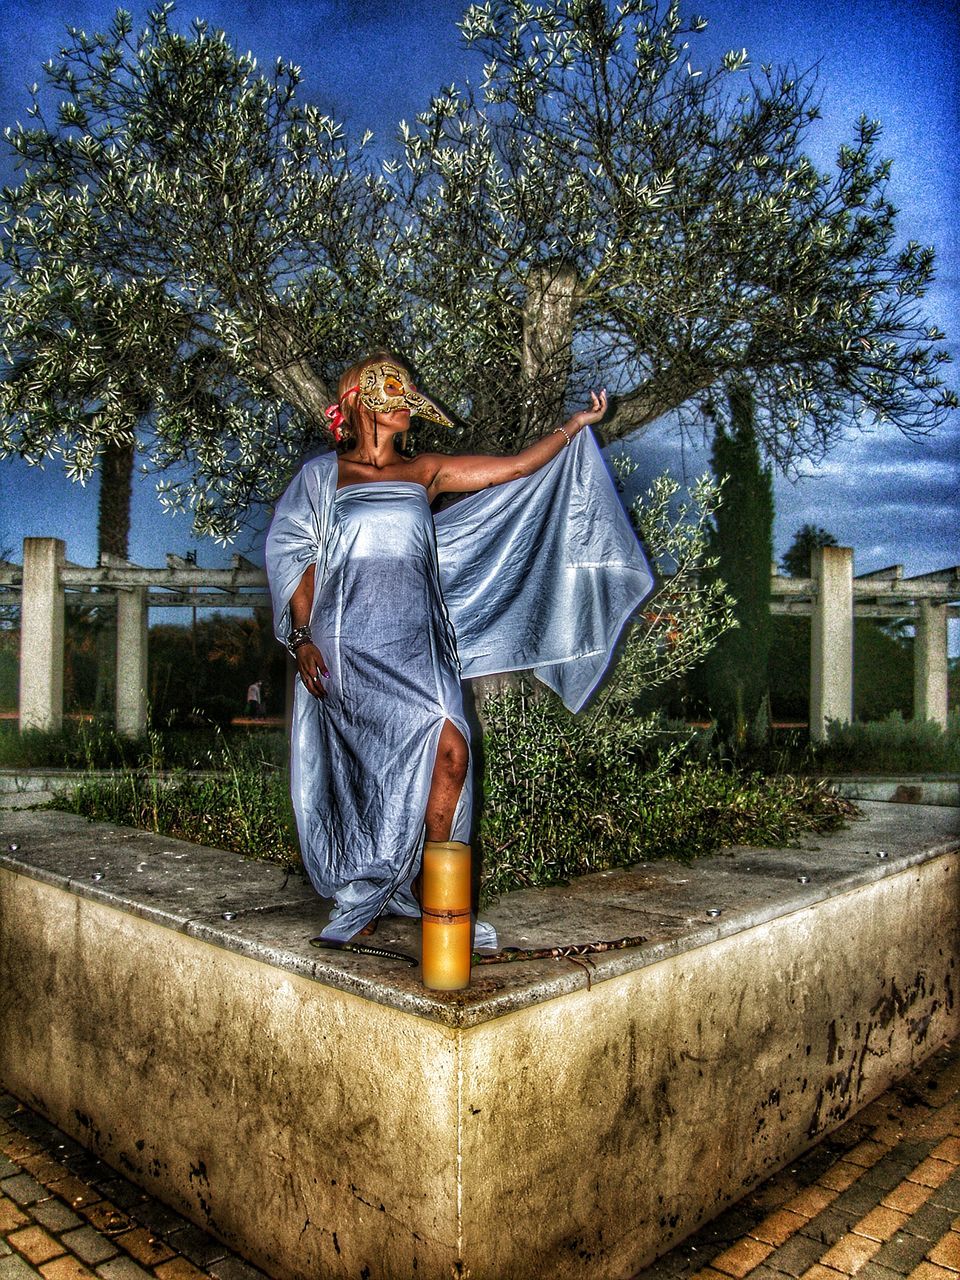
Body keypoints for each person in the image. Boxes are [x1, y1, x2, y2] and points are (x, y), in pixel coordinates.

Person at [266, 353, 653, 946]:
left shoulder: (426, 470)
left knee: (450, 748)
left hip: (417, 646)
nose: (407, 408)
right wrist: (302, 639)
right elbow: (298, 558)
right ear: (365, 402)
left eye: (409, 399)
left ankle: (430, 886)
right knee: (366, 771)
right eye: (398, 398)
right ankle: (368, 889)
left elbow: (514, 469)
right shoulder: (324, 479)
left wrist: (574, 427)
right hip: (349, 647)